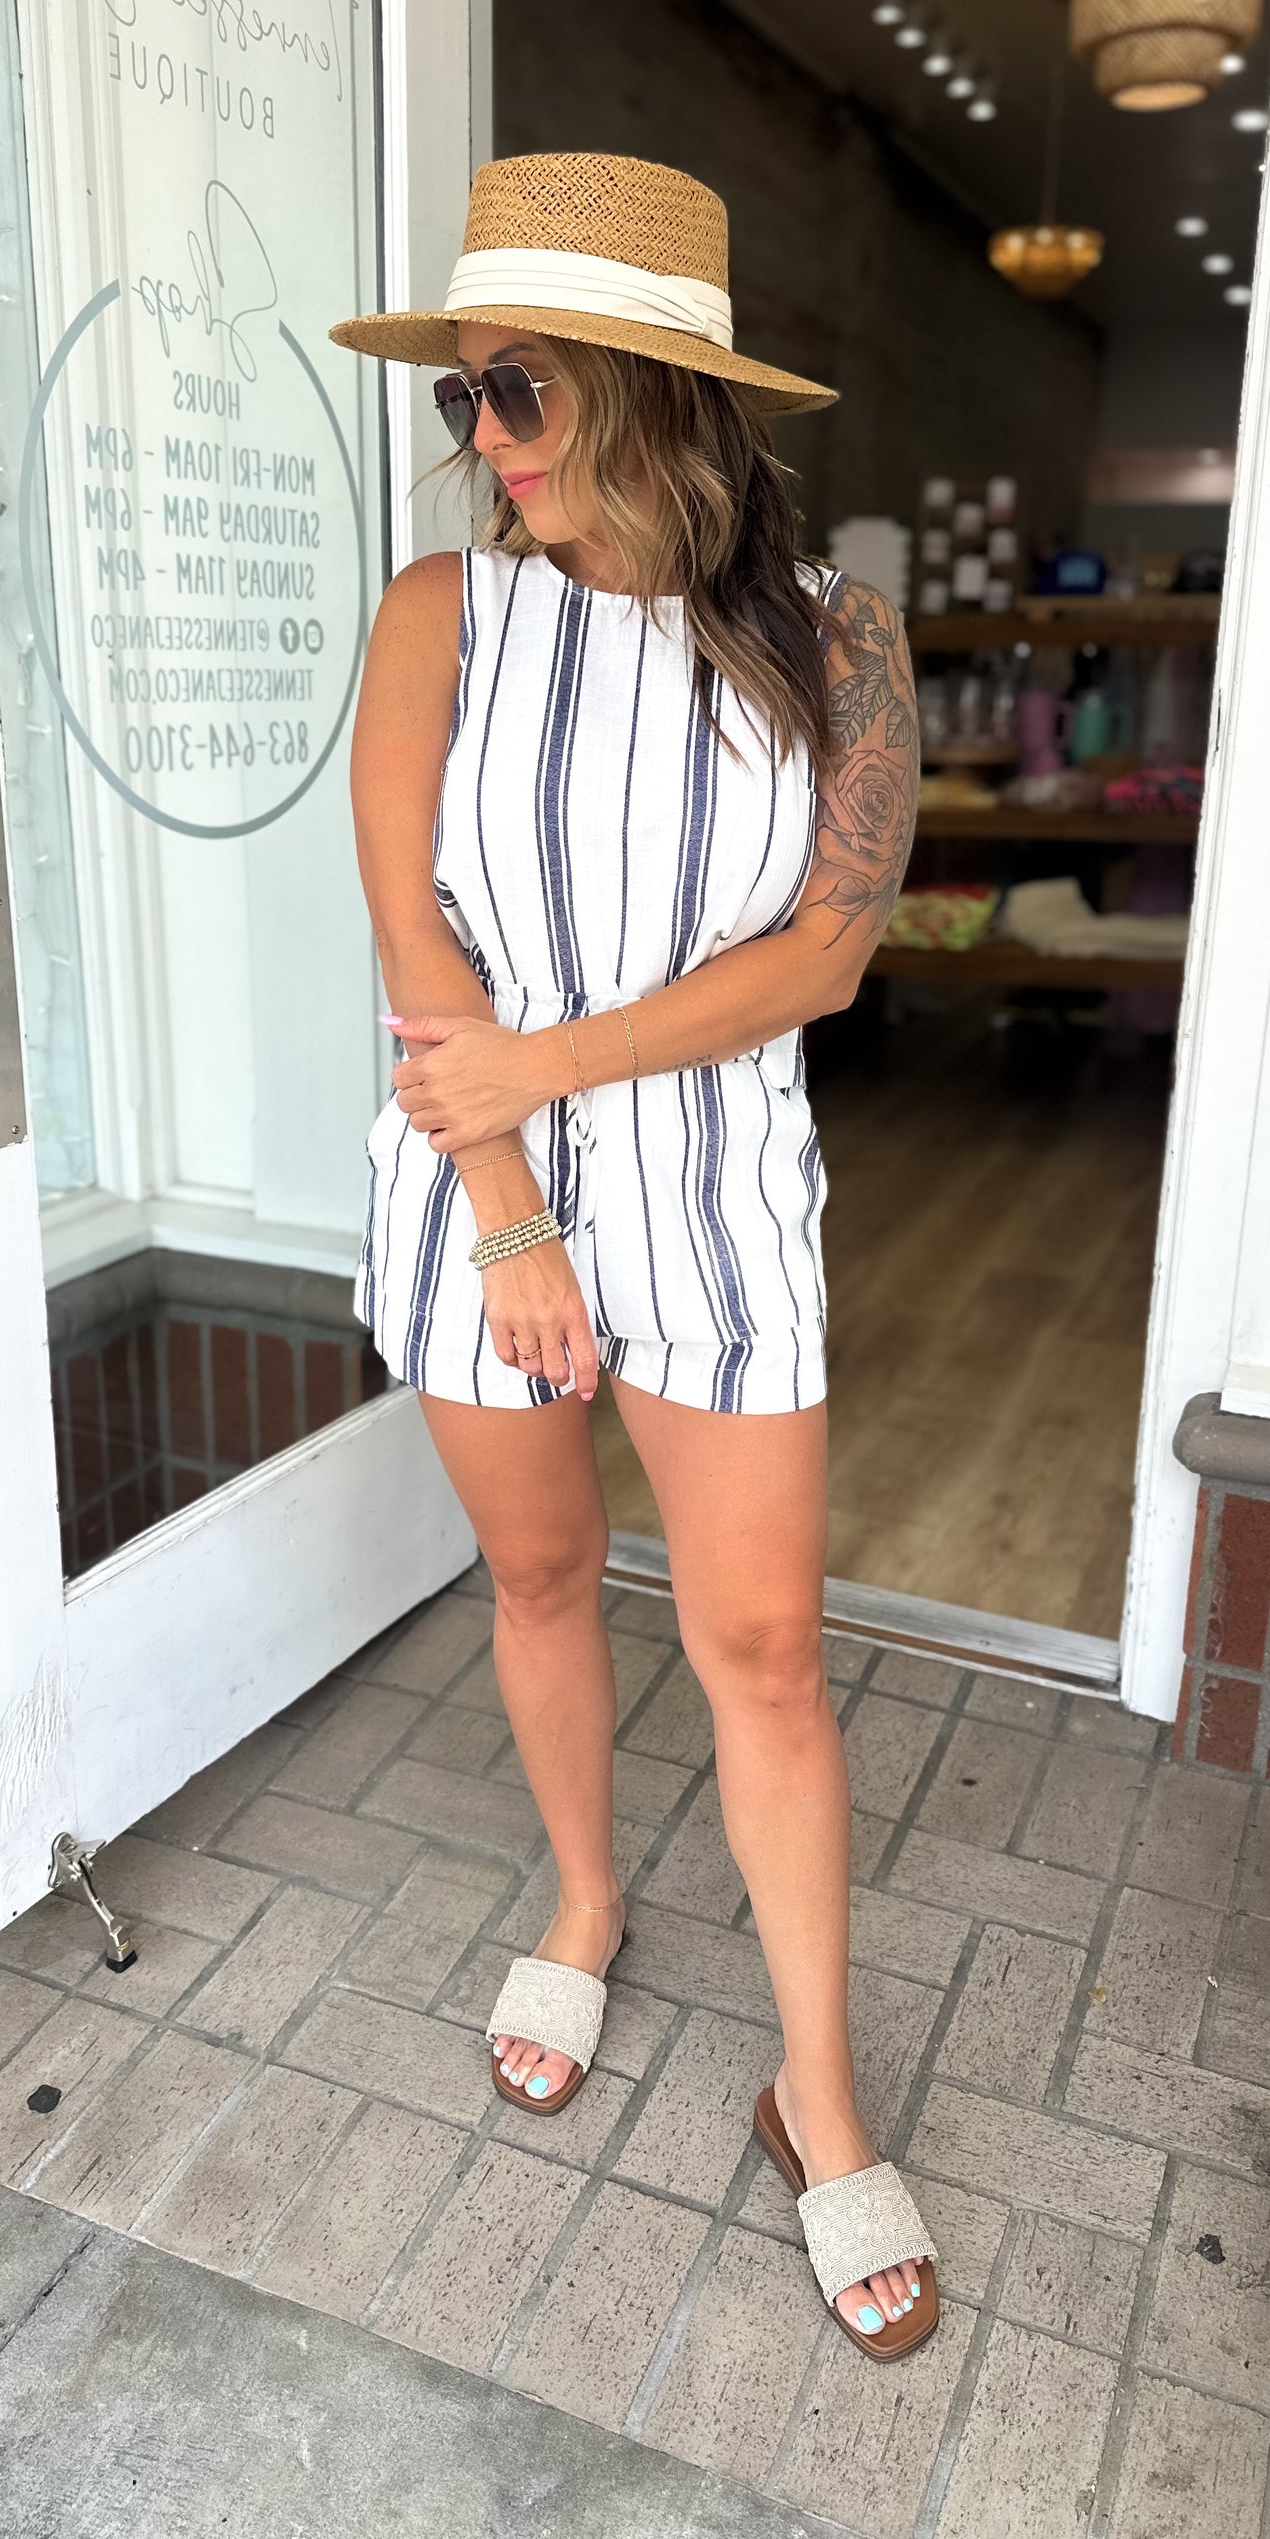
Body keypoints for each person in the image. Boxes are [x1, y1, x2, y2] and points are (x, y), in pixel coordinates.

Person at [332, 153, 934, 2362]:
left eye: (515, 389)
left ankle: (820, 2092)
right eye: (464, 397)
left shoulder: (842, 640)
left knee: (763, 1646)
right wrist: (508, 1204)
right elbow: (411, 930)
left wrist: (549, 1070)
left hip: (718, 1190)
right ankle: (586, 1900)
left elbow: (827, 954)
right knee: (542, 1575)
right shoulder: (439, 616)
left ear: (653, 390)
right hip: (473, 1184)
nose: (480, 438)